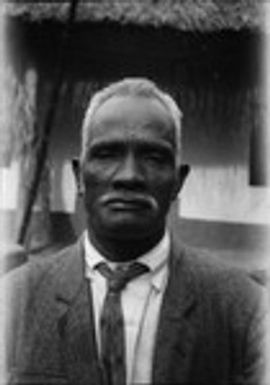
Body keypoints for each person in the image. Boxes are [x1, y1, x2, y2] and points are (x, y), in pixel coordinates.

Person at [1, 78, 267, 385]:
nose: (129, 176)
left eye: (153, 157)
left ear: (178, 182)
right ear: (79, 177)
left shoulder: (245, 310)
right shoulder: (14, 301)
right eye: (107, 154)